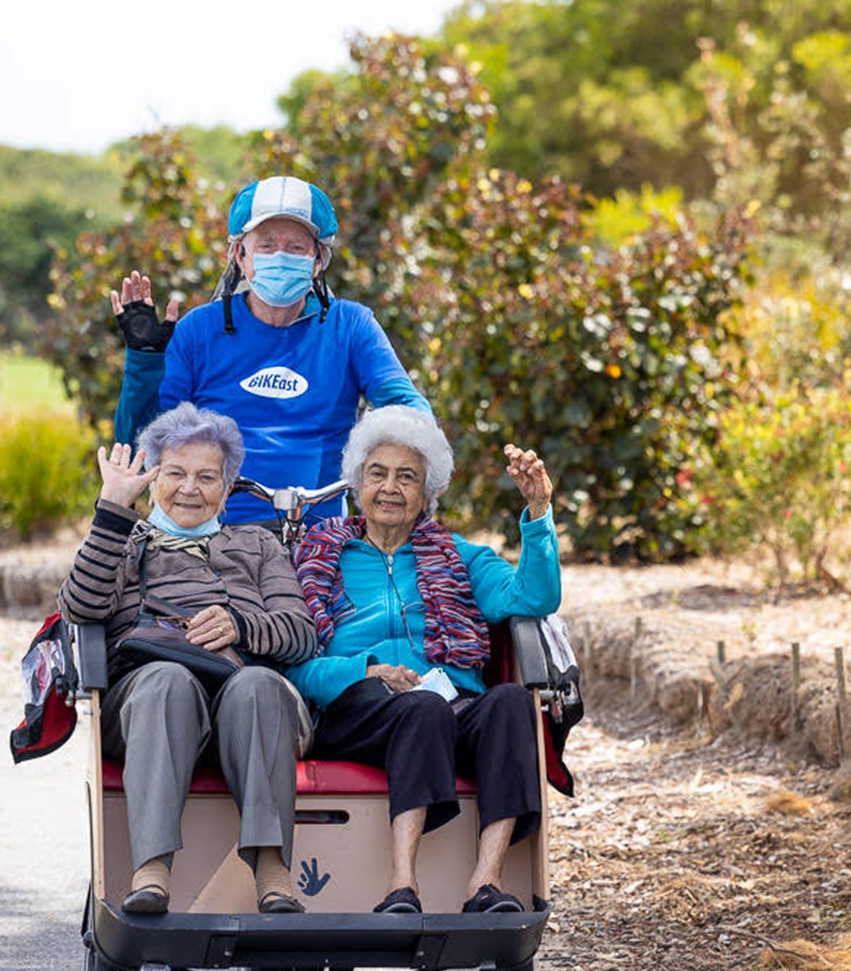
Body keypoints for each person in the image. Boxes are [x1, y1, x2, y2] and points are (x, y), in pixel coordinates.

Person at [287, 406, 561, 915]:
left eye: (407, 477)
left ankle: (486, 881)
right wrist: (362, 671)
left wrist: (539, 513)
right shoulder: (315, 558)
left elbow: (535, 597)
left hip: (449, 709)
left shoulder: (460, 556)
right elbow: (292, 663)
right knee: (420, 708)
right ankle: (402, 885)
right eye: (378, 473)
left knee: (510, 704)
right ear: (356, 484)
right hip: (357, 712)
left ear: (427, 493)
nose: (391, 488)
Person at [57, 404, 317, 915]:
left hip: (244, 696)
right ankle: (151, 868)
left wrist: (241, 625)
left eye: (206, 477)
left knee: (259, 686)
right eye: (175, 474)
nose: (190, 489)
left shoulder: (256, 544)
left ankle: (271, 868)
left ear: (228, 485)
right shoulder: (125, 543)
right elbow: (79, 607)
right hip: (146, 698)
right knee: (166, 680)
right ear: (153, 478)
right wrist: (112, 508)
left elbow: (300, 633)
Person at [110, 175, 431, 524]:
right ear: (241, 256)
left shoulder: (351, 326)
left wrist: (420, 443)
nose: (280, 257)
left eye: (296, 247)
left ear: (318, 259)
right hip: (210, 530)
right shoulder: (198, 329)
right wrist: (144, 361)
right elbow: (141, 447)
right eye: (266, 245)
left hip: (315, 531)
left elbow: (405, 404)